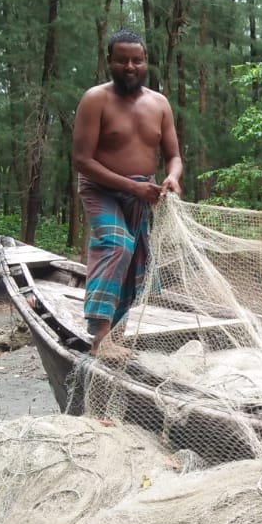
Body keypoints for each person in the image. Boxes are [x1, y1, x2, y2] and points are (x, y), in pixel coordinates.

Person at [72, 29, 183, 357]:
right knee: (117, 245)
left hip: (143, 193)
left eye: (137, 60)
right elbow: (82, 160)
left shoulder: (159, 103)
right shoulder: (96, 99)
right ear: (109, 62)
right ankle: (100, 339)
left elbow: (173, 156)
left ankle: (116, 334)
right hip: (102, 189)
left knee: (139, 263)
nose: (130, 66)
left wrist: (173, 178)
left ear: (146, 62)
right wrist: (131, 185)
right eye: (122, 60)